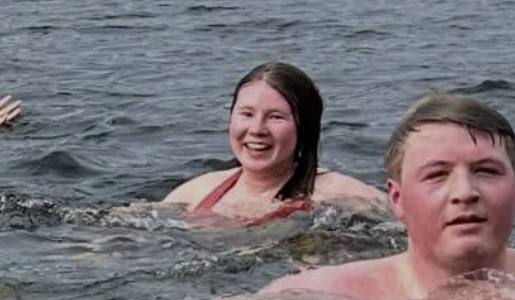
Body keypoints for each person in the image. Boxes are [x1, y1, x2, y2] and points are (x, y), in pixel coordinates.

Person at [259, 93, 515, 300]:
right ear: (397, 198)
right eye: (437, 175)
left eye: (486, 171)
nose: (465, 192)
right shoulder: (316, 298)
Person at [161, 62, 383, 222]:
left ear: (304, 128)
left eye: (276, 117)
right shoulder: (195, 193)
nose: (257, 129)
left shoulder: (343, 196)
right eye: (247, 114)